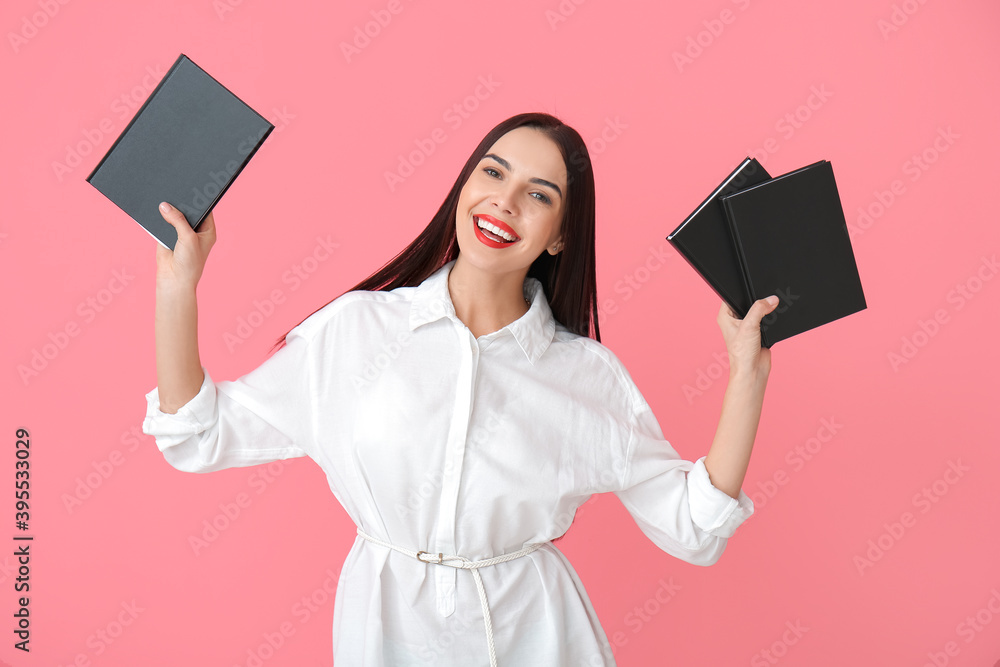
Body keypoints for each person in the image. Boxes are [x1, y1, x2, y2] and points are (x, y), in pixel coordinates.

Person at [143, 112, 779, 666]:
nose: (504, 202)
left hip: (539, 637)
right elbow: (200, 436)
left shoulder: (587, 378)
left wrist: (747, 374)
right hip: (384, 634)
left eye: (539, 195)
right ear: (465, 186)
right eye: (494, 174)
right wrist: (177, 287)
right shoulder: (358, 331)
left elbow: (694, 529)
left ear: (560, 234)